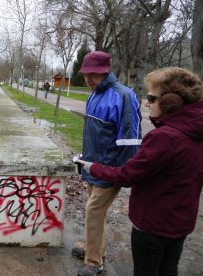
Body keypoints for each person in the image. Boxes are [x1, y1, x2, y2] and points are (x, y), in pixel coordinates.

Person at [76, 67, 203, 276]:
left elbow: (127, 175)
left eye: (151, 98)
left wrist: (92, 167)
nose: (146, 103)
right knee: (169, 269)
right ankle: (96, 252)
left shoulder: (164, 137)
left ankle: (94, 259)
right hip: (181, 222)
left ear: (171, 102)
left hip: (153, 224)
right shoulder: (195, 133)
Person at [74, 51, 142, 276]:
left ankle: (93, 262)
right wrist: (83, 158)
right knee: (98, 212)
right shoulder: (93, 95)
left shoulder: (123, 95)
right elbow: (91, 132)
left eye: (93, 74)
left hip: (110, 169)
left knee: (93, 210)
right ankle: (95, 248)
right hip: (91, 165)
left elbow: (131, 139)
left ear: (105, 72)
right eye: (85, 74)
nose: (87, 79)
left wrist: (124, 173)